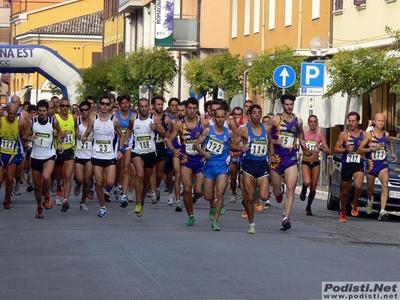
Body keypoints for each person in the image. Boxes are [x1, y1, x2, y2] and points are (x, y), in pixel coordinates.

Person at [268, 94, 310, 231]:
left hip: (291, 158)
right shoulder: (275, 120)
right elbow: (265, 134)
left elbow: (301, 135)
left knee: (291, 188)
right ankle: (278, 192)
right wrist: (273, 144)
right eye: (287, 104)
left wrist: (304, 145)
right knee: (277, 191)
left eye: (291, 104)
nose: (289, 107)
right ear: (282, 105)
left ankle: (286, 217)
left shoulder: (298, 122)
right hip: (277, 159)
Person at [166, 97, 209, 226]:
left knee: (199, 190)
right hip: (186, 160)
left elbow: (211, 138)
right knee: (186, 189)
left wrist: (206, 151)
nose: (191, 111)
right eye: (189, 108)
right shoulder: (180, 124)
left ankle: (196, 196)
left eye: (193, 108)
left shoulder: (204, 123)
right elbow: (169, 140)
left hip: (200, 160)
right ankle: (191, 216)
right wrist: (174, 150)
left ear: (197, 109)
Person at [81, 95, 124, 217]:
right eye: (102, 103)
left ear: (110, 106)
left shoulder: (114, 120)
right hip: (97, 155)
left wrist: (120, 150)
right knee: (99, 183)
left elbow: (121, 135)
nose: (104, 106)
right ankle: (103, 207)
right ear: (99, 105)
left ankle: (109, 190)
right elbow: (89, 130)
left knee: (110, 182)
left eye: (107, 104)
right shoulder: (93, 119)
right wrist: (84, 137)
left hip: (110, 156)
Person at [194, 107, 236, 231]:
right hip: (209, 165)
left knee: (221, 191)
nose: (220, 119)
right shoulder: (208, 131)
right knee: (208, 195)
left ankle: (216, 221)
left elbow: (234, 145)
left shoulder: (229, 133)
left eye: (222, 117)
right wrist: (203, 153)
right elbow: (196, 144)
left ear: (225, 118)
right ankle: (212, 205)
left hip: (222, 166)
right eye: (218, 117)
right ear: (214, 117)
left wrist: (239, 148)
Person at [124, 97, 167, 217]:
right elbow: (128, 128)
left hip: (151, 152)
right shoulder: (134, 119)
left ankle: (141, 202)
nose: (143, 109)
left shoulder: (155, 119)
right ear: (138, 108)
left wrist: (156, 128)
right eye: (141, 106)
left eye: (145, 106)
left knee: (146, 180)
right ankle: (138, 203)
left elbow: (165, 134)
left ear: (149, 107)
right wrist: (126, 139)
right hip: (137, 151)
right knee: (139, 174)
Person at [234, 104, 270, 234]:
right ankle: (252, 223)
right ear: (249, 115)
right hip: (248, 164)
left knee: (264, 196)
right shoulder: (244, 130)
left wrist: (271, 156)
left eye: (259, 113)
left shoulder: (266, 128)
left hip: (261, 165)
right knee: (249, 196)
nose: (257, 115)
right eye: (254, 113)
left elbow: (270, 143)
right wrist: (241, 147)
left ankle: (276, 189)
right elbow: (233, 143)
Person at [358, 113, 397, 221]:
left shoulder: (386, 135)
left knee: (385, 184)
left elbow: (390, 143)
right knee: (370, 190)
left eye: (382, 121)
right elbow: (360, 149)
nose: (380, 123)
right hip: (371, 164)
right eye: (378, 120)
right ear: (374, 122)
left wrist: (393, 153)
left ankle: (382, 210)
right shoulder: (369, 135)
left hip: (382, 164)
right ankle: (370, 200)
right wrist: (372, 149)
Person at [28, 100, 63, 218]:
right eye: (40, 111)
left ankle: (47, 196)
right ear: (37, 111)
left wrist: (59, 143)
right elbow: (26, 135)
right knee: (37, 186)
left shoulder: (53, 121)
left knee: (46, 176)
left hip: (49, 155)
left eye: (44, 111)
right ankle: (39, 206)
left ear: (48, 110)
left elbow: (59, 132)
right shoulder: (32, 121)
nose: (42, 113)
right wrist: (29, 137)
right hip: (36, 156)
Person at [333, 111, 365, 223]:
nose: (351, 123)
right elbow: (336, 149)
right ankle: (343, 210)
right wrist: (346, 149)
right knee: (345, 191)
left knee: (358, 185)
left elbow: (368, 148)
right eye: (349, 121)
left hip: (358, 163)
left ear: (358, 122)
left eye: (353, 121)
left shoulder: (364, 134)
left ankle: (355, 203)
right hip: (347, 164)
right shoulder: (344, 134)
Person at [299, 115, 331, 216]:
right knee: (307, 181)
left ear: (317, 123)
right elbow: (302, 148)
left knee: (313, 188)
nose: (313, 123)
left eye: (314, 122)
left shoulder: (320, 136)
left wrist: (320, 148)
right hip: (305, 161)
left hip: (316, 163)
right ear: (308, 123)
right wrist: (304, 146)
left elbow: (328, 150)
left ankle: (308, 207)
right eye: (311, 122)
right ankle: (304, 188)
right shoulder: (304, 135)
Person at [0, 103, 27, 209]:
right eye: (10, 113)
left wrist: (29, 138)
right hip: (1, 153)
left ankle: (7, 199)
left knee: (10, 179)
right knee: (0, 179)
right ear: (7, 111)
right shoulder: (1, 121)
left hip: (13, 154)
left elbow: (23, 136)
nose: (12, 116)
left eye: (14, 114)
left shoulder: (20, 123)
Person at [54, 98, 77, 212]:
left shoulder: (73, 118)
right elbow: (49, 131)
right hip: (58, 150)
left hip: (69, 150)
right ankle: (58, 184)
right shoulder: (55, 118)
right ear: (59, 106)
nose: (65, 108)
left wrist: (78, 135)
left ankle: (66, 200)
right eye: (63, 106)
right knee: (59, 176)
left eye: (67, 106)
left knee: (68, 176)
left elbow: (76, 129)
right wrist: (58, 134)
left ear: (70, 107)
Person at [73, 101, 94, 211]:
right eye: (82, 110)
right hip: (79, 155)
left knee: (87, 181)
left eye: (86, 109)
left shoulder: (94, 122)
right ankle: (77, 185)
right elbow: (75, 132)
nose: (84, 112)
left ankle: (83, 202)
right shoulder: (77, 121)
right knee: (79, 179)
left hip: (90, 155)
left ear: (90, 110)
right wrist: (78, 136)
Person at [115, 94, 134, 205]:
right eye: (123, 103)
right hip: (117, 146)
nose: (125, 105)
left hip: (128, 145)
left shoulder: (133, 116)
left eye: (127, 103)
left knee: (126, 169)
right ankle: (116, 186)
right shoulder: (115, 116)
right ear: (119, 105)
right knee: (117, 170)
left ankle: (124, 195)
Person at [229, 107, 244, 204]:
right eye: (236, 114)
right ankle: (233, 193)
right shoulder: (229, 125)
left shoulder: (245, 126)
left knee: (242, 176)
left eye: (240, 114)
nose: (237, 116)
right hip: (234, 154)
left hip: (242, 153)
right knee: (233, 176)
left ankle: (241, 189)